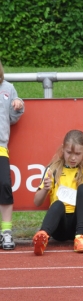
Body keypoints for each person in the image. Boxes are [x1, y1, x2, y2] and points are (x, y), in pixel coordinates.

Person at [32, 130, 83, 256]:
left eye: (77, 154)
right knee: (58, 204)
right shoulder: (52, 169)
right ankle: (43, 236)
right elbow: (37, 202)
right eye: (69, 153)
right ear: (62, 149)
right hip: (60, 227)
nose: (72, 157)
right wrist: (45, 189)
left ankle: (80, 238)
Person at [0, 61, 24, 250]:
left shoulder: (8, 88)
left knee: (5, 185)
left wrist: (18, 105)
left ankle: (6, 232)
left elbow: (13, 118)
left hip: (0, 147)